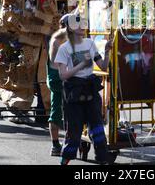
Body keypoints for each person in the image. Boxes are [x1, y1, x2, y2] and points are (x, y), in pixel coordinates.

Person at [54, 13, 113, 165]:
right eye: (77, 24)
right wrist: (81, 65)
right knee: (73, 133)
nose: (82, 27)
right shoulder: (64, 48)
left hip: (90, 91)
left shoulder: (90, 43)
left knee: (98, 130)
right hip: (73, 93)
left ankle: (102, 159)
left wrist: (107, 51)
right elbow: (63, 75)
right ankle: (64, 161)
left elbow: (103, 66)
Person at [47, 25, 68, 156]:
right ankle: (56, 145)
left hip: (56, 78)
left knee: (57, 110)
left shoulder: (58, 39)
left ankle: (56, 145)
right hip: (59, 79)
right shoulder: (57, 39)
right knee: (61, 111)